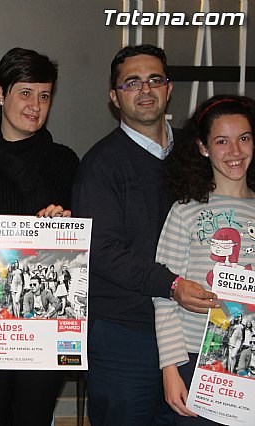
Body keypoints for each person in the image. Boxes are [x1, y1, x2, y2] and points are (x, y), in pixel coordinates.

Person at [72, 44, 219, 425]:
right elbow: (101, 250)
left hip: (193, 330)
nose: (145, 89)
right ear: (114, 96)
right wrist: (171, 284)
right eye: (132, 82)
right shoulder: (100, 165)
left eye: (155, 80)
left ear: (169, 89)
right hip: (125, 334)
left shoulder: (198, 152)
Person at [0, 47, 78, 426]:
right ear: (0, 94)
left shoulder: (65, 163)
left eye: (45, 95)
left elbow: (82, 249)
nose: (35, 105)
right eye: (25, 93)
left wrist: (65, 226)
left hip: (46, 327)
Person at [153, 94, 255, 423]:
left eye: (244, 138)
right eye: (222, 141)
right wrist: (170, 369)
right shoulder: (186, 211)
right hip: (195, 359)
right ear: (203, 147)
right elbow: (164, 297)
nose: (235, 151)